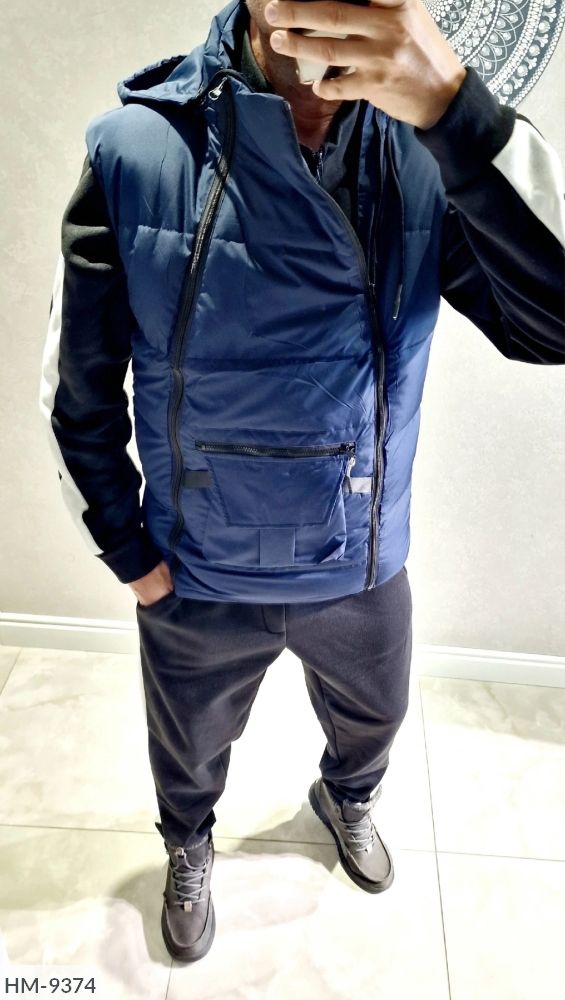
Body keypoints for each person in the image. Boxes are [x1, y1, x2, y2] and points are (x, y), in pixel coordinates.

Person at [39, 0, 564, 965]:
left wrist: (453, 109)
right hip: (198, 566)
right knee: (187, 747)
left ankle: (345, 798)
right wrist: (127, 552)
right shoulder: (132, 150)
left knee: (375, 720)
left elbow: (553, 327)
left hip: (361, 557)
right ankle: (188, 845)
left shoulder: (424, 156)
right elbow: (78, 386)